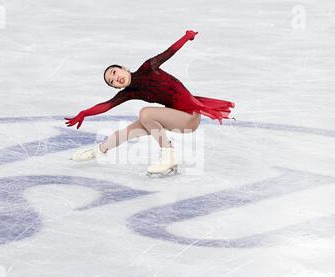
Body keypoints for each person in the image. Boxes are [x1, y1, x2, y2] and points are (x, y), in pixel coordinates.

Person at [65, 30, 235, 175]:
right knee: (128, 131)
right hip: (177, 117)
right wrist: (84, 113)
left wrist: (186, 37)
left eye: (115, 72)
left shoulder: (149, 67)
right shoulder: (129, 93)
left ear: (124, 68)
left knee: (146, 113)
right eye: (112, 82)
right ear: (116, 87)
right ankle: (99, 150)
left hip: (189, 116)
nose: (116, 78)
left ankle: (168, 154)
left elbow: (169, 52)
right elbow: (106, 105)